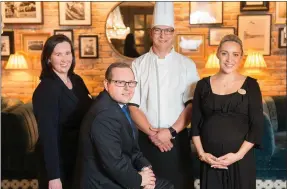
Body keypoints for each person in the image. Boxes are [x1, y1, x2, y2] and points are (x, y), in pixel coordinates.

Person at [128, 2, 200, 189]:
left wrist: (170, 132)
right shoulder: (138, 64)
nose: (163, 35)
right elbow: (133, 106)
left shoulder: (187, 65)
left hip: (176, 140)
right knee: (147, 184)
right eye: (158, 30)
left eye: (168, 30)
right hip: (145, 140)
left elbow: (191, 105)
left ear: (173, 33)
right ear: (151, 33)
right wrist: (153, 133)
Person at [75, 62, 174, 189]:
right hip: (102, 183)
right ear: (106, 84)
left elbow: (133, 150)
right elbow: (114, 163)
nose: (127, 88)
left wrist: (146, 169)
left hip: (118, 175)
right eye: (120, 83)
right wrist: (140, 180)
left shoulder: (120, 105)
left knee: (165, 185)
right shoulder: (104, 115)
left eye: (131, 83)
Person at [191, 34, 264, 189]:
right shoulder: (202, 85)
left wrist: (238, 155)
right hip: (210, 160)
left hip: (241, 159)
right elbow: (195, 123)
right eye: (225, 53)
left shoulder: (251, 85)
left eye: (235, 54)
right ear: (218, 54)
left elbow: (257, 126)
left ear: (241, 57)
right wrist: (202, 154)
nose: (229, 59)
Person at [32, 34, 92, 189]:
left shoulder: (76, 80)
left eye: (68, 53)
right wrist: (54, 177)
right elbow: (48, 135)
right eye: (58, 54)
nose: (65, 59)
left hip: (76, 156)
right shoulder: (46, 89)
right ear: (48, 58)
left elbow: (90, 107)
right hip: (57, 161)